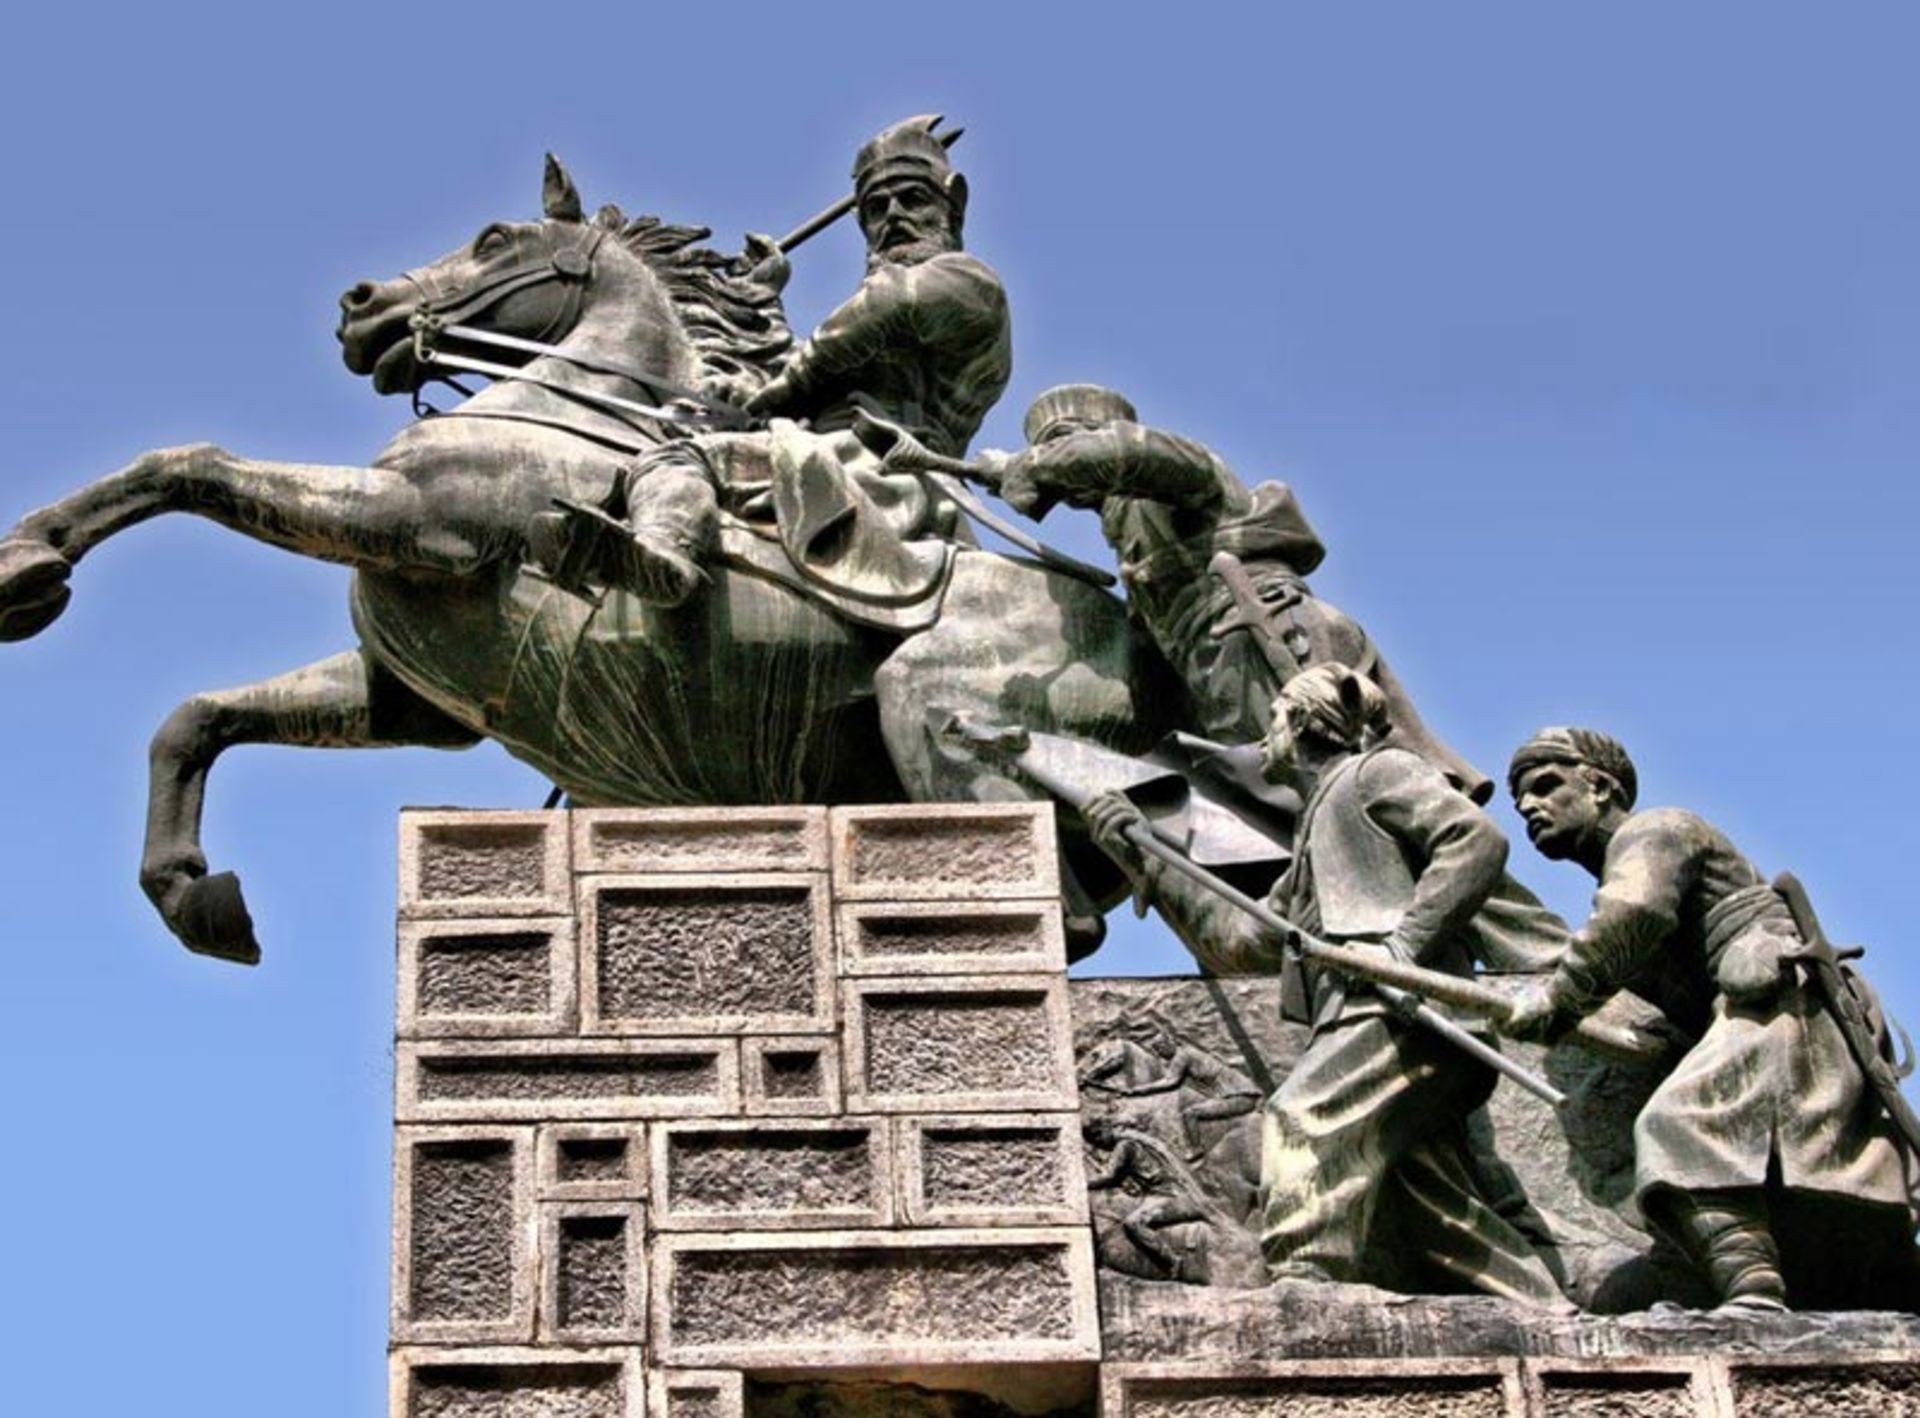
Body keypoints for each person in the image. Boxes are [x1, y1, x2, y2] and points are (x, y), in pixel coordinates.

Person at [1085, 664, 1565, 1302]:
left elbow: (1474, 841)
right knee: (1426, 1201)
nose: (1268, 732)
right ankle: (1547, 1309)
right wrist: (1140, 852)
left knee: (1299, 1118)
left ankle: (1305, 1279)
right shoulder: (1317, 826)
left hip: (1402, 1011)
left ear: (1305, 721)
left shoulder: (1376, 773)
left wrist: (1403, 946)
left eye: (1277, 717)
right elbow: (1245, 941)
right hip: (1360, 1014)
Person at [1505, 727, 1919, 1310]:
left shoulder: (1656, 831)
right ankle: (1725, 1276)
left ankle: (1754, 1298)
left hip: (1783, 1004)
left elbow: (1632, 915)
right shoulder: (1618, 877)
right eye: (1520, 799)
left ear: (1599, 786)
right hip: (1753, 1012)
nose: (1528, 807)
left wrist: (1558, 998)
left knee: (1679, 1127)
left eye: (1546, 786)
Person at [543, 115, 1011, 620]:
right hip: (831, 451)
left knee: (678, 459)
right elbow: (820, 363)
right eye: (876, 209)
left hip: (882, 467)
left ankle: (666, 557)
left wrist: (769, 397)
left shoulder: (966, 282)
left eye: (912, 199)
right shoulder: (873, 319)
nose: (893, 216)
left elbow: (865, 322)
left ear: (953, 202)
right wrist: (764, 302)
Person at [972, 384, 1490, 801]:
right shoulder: (1124, 526)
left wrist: (1026, 466)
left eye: (1063, 441)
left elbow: (1127, 453)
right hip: (1220, 662)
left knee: (1337, 792)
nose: (1058, 460)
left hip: (1263, 636)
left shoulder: (1171, 468)